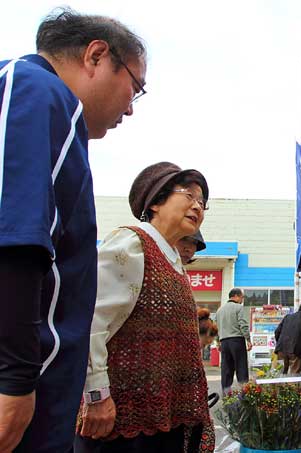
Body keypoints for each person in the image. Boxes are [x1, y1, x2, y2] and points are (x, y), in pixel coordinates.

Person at [0, 8, 146, 452]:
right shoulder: (34, 89)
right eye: (135, 88)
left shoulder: (57, 115)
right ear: (96, 56)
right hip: (21, 393)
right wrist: (13, 382)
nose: (130, 108)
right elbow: (15, 239)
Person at [75, 162, 214, 452]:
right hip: (122, 421)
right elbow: (90, 319)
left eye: (202, 202)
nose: (198, 207)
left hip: (165, 417)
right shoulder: (132, 243)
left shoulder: (174, 261)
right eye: (188, 195)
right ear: (155, 202)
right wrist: (96, 393)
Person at [215, 288, 252, 394]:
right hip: (237, 341)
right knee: (241, 368)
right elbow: (243, 324)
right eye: (242, 297)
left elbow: (216, 327)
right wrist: (248, 339)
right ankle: (244, 395)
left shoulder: (219, 310)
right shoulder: (238, 307)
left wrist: (218, 342)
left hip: (224, 342)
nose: (242, 299)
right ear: (236, 296)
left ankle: (226, 395)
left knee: (226, 370)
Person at [274, 303, 301, 375]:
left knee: (281, 374)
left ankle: (280, 385)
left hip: (281, 349)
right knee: (294, 374)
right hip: (295, 351)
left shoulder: (288, 317)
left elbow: (277, 332)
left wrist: (280, 343)